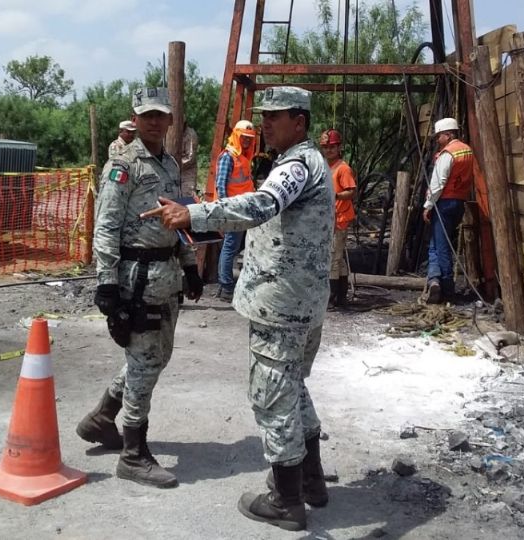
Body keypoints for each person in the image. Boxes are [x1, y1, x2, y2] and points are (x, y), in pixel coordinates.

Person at [141, 86, 333, 532]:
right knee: (294, 389)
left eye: (274, 117)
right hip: (300, 303)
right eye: (263, 116)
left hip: (282, 306)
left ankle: (286, 501)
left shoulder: (299, 164)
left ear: (299, 122)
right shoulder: (301, 162)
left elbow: (264, 205)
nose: (264, 124)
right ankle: (310, 482)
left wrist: (196, 215)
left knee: (272, 398)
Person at [76, 87, 204, 489]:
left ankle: (102, 416)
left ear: (169, 121)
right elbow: (107, 225)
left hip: (167, 275)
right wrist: (106, 284)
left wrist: (190, 265)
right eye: (147, 114)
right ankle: (133, 454)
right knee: (145, 361)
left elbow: (177, 219)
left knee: (155, 356)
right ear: (136, 115)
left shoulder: (169, 165)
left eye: (160, 115)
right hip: (137, 278)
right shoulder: (124, 164)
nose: (153, 121)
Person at [423, 117, 475, 304]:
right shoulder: (467, 151)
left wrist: (428, 205)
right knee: (437, 244)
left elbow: (439, 183)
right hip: (459, 202)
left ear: (448, 134)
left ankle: (445, 288)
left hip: (443, 203)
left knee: (440, 247)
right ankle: (434, 279)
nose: (437, 140)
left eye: (439, 136)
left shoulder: (448, 154)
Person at [213, 119, 257, 302]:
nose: (247, 140)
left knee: (234, 246)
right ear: (236, 136)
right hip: (233, 209)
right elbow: (220, 185)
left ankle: (226, 283)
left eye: (249, 138)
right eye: (244, 137)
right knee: (230, 247)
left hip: (243, 209)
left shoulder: (243, 157)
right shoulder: (228, 157)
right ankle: (226, 286)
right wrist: (226, 209)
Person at [319, 128, 357, 308]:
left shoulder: (343, 169)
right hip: (329, 217)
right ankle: (341, 295)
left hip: (339, 218)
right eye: (325, 147)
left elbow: (351, 191)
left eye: (332, 147)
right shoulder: (325, 166)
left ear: (338, 147)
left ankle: (331, 297)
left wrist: (336, 196)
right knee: (339, 258)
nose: (328, 150)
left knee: (333, 257)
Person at [180, 122, 199, 197]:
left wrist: (172, 165)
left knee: (187, 198)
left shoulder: (190, 134)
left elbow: (190, 158)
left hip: (187, 173)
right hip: (169, 171)